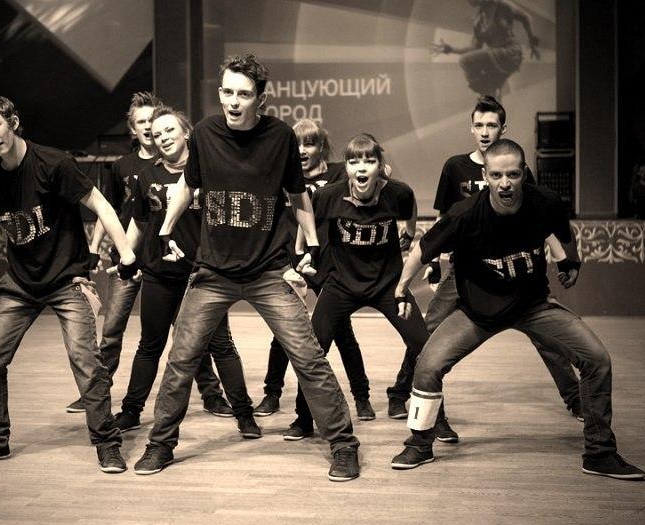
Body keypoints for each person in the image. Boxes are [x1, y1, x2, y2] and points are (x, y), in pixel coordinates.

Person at [132, 54, 360, 481]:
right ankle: (160, 444)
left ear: (261, 98)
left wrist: (312, 244)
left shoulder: (279, 137)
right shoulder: (204, 133)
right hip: (213, 272)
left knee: (309, 357)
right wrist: (164, 229)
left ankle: (344, 445)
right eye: (227, 92)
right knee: (181, 360)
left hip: (267, 271)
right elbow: (188, 186)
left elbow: (297, 196)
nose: (233, 102)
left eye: (243, 94)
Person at [391, 139, 645, 481]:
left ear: (524, 173)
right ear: (486, 176)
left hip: (532, 305)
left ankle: (600, 452)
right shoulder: (465, 214)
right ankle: (420, 445)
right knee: (427, 365)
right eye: (497, 175)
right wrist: (400, 288)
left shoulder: (545, 202)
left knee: (597, 359)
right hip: (477, 313)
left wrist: (570, 262)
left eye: (512, 174)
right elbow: (422, 250)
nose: (505, 183)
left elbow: (563, 231)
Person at [0, 93, 137, 473]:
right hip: (21, 282)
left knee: (86, 362)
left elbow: (102, 205)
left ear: (13, 122)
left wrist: (126, 254)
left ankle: (107, 443)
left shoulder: (54, 163)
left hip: (68, 279)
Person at [414, 95, 582, 422]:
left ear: (503, 129)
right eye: (479, 125)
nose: (485, 131)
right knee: (429, 329)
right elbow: (443, 221)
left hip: (515, 271)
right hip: (466, 270)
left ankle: (575, 397)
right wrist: (433, 262)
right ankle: (411, 395)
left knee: (545, 337)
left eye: (491, 125)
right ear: (471, 129)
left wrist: (564, 259)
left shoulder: (516, 169)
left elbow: (540, 218)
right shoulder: (455, 167)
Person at [65, 92, 232, 418]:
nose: (151, 129)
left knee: (192, 335)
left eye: (157, 124)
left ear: (181, 131)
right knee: (113, 331)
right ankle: (98, 393)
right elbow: (109, 210)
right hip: (132, 257)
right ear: (134, 129)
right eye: (144, 124)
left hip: (176, 262)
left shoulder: (192, 166)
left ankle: (212, 394)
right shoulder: (125, 167)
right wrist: (103, 250)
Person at [284, 133, 456, 443]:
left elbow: (410, 206)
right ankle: (303, 418)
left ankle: (436, 419)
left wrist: (410, 231)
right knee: (313, 351)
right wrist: (305, 250)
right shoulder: (329, 195)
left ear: (380, 167)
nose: (361, 167)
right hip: (340, 285)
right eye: (353, 161)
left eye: (369, 161)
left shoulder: (397, 193)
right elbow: (306, 216)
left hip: (387, 286)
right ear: (346, 168)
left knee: (424, 347)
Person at [113, 105, 256, 434]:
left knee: (221, 345)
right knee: (150, 344)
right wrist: (126, 256)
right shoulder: (147, 176)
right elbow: (140, 222)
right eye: (157, 134)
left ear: (187, 133)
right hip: (159, 274)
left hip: (204, 276)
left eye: (169, 131)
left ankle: (244, 414)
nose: (162, 137)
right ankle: (131, 410)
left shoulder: (209, 172)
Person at [252, 119, 375, 423]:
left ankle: (362, 397)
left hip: (329, 264)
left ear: (322, 147)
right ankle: (272, 393)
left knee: (343, 332)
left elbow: (372, 179)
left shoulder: (338, 174)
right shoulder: (282, 178)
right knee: (283, 332)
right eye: (296, 144)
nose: (302, 150)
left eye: (310, 143)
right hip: (291, 263)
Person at [431, 0, 541, 98]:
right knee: (493, 92)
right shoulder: (478, 22)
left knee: (465, 61)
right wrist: (450, 49)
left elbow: (525, 17)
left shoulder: (502, 5)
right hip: (495, 59)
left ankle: (486, 91)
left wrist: (532, 42)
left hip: (510, 53)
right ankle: (491, 98)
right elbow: (474, 47)